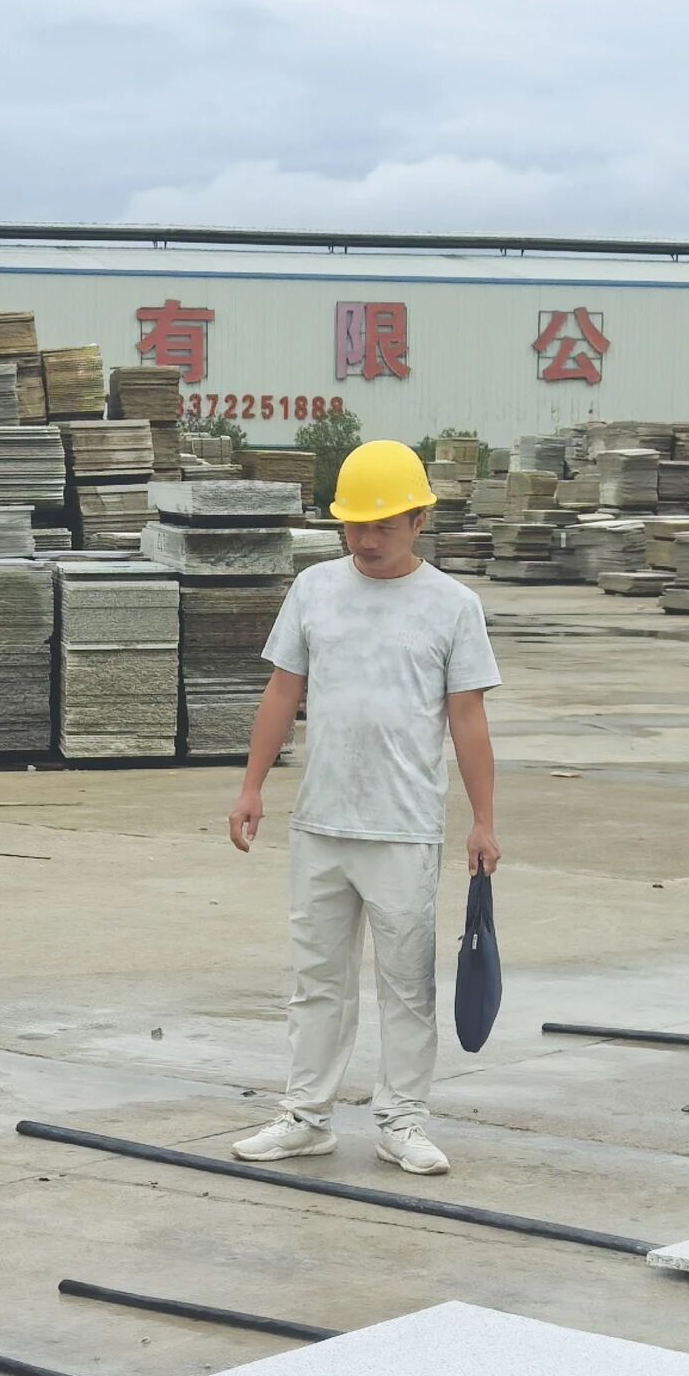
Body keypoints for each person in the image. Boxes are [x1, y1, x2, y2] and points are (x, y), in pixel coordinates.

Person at [225, 438, 501, 1178]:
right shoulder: (314, 590)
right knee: (317, 980)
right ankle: (305, 1116)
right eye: (354, 525)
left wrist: (483, 821)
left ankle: (402, 1121)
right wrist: (252, 786)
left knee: (407, 985)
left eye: (382, 525)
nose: (367, 539)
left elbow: (469, 719)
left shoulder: (453, 607)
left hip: (404, 828)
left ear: (419, 521)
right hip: (321, 822)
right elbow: (282, 692)